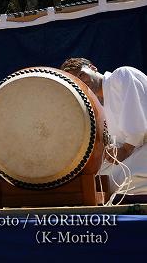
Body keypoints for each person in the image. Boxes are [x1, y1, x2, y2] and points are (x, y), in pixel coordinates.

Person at [60, 58, 147, 198]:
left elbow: (137, 128)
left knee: (110, 182)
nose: (82, 81)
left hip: (141, 152)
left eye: (81, 74)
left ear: (92, 67)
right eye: (77, 81)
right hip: (134, 155)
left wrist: (125, 149)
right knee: (96, 180)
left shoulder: (121, 75)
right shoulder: (97, 108)